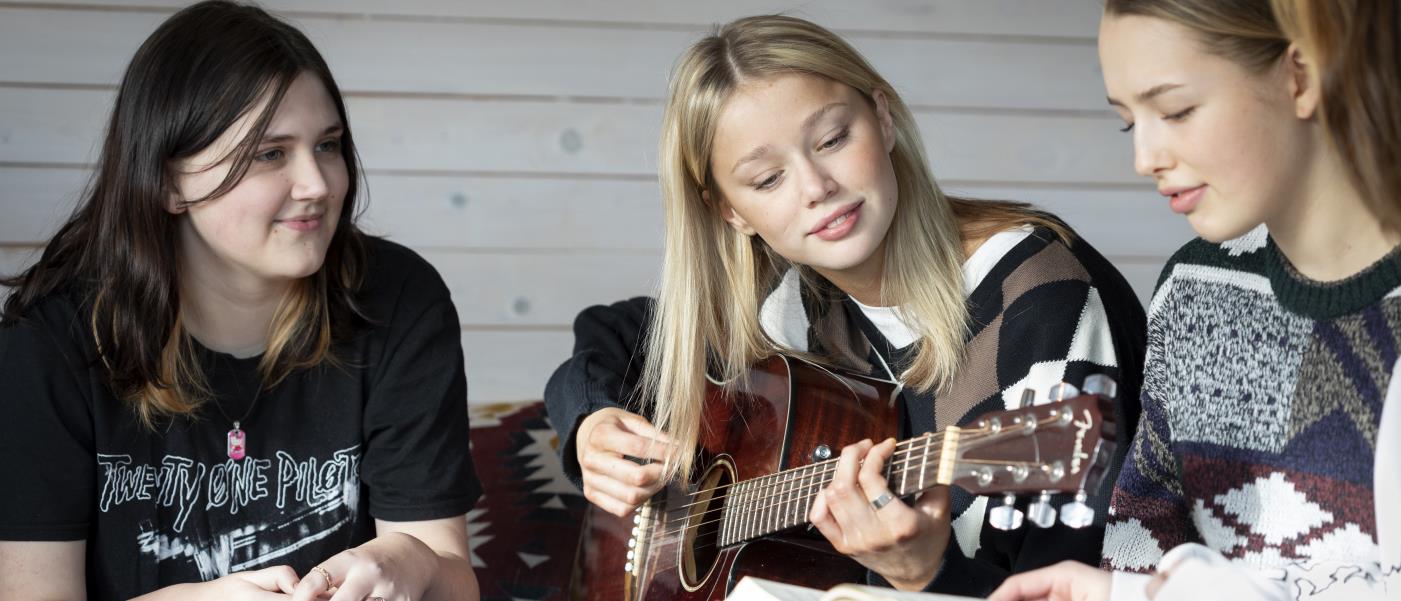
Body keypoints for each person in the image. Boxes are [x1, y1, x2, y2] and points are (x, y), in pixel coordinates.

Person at [544, 14, 1147, 596]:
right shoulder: (792, 299)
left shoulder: (1038, 299)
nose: (816, 187)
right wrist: (591, 422)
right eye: (766, 180)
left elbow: (1074, 584)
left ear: (883, 119)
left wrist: (925, 573)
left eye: (832, 140)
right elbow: (614, 334)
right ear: (729, 211)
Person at [0, 2, 481, 599]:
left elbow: (454, 577)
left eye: (327, 145)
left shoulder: (399, 299)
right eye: (270, 153)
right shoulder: (50, 339)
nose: (318, 185)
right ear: (170, 181)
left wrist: (417, 562)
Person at [990, 1, 1401, 599]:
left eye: (1176, 111)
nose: (1144, 159)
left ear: (1301, 76)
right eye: (1131, 122)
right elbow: (1142, 539)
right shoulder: (1194, 287)